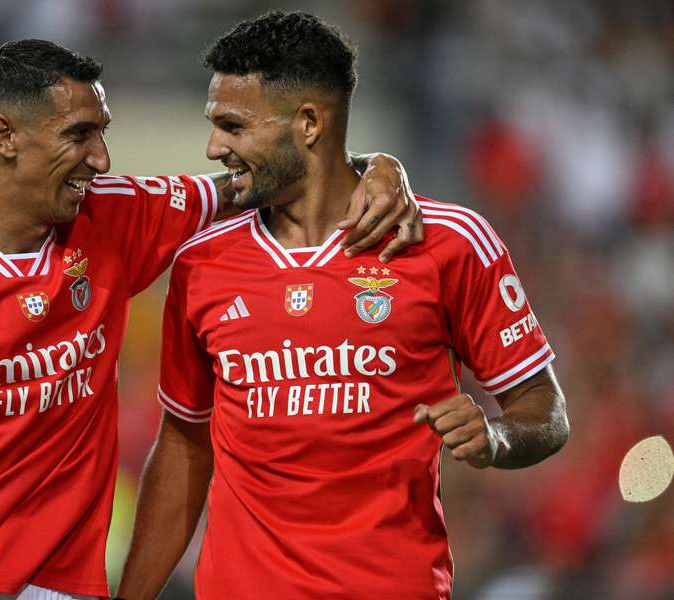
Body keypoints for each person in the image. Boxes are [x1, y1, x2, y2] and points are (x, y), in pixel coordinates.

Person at [0, 39, 421, 600]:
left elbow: (267, 176)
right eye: (79, 136)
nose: (101, 159)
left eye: (103, 132)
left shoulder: (113, 216)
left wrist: (375, 165)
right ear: (5, 136)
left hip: (66, 580)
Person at [115, 11, 570, 600]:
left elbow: (546, 409)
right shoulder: (202, 264)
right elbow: (183, 444)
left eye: (233, 126)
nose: (212, 146)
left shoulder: (448, 242)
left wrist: (497, 437)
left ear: (308, 123)